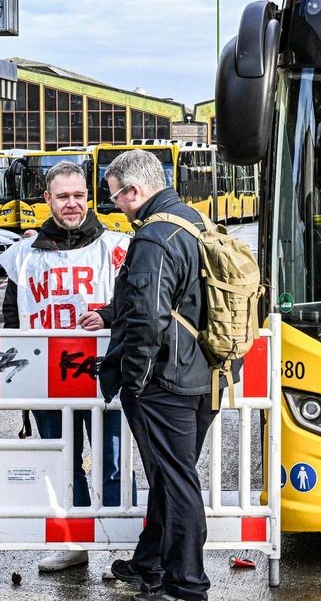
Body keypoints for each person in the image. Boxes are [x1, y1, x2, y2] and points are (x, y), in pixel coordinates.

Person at [0, 161, 131, 573]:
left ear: (88, 198)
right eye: (63, 197)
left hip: (103, 375)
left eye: (78, 196)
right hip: (48, 377)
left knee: (111, 461)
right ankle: (72, 541)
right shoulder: (24, 254)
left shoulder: (116, 246)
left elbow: (133, 302)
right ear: (47, 199)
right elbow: (11, 316)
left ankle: (116, 541)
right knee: (60, 461)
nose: (71, 204)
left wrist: (107, 315)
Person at [98, 150, 218, 601]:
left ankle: (186, 583)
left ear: (135, 191)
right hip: (204, 373)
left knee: (174, 479)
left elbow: (147, 320)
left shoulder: (153, 237)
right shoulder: (194, 221)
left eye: (116, 199)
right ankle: (149, 561)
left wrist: (134, 378)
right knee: (171, 473)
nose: (117, 208)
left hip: (165, 381)